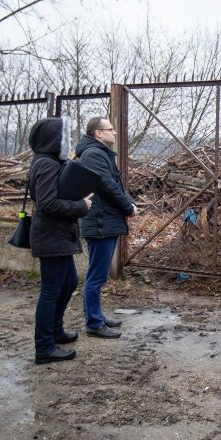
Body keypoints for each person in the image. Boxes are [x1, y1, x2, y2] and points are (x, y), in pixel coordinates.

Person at [28, 117, 93, 365]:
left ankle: (55, 330)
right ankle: (44, 347)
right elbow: (47, 204)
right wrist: (81, 205)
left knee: (68, 283)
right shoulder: (47, 165)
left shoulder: (47, 162)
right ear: (52, 139)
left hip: (57, 235)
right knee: (51, 290)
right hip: (51, 236)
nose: (67, 141)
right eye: (63, 136)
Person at [75, 117, 138, 339]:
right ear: (98, 134)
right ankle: (93, 323)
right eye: (110, 129)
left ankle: (97, 316)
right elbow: (107, 185)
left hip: (105, 219)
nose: (114, 132)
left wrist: (128, 201)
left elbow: (114, 184)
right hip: (100, 221)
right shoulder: (94, 154)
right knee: (97, 275)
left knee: (98, 274)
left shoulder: (99, 153)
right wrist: (127, 205)